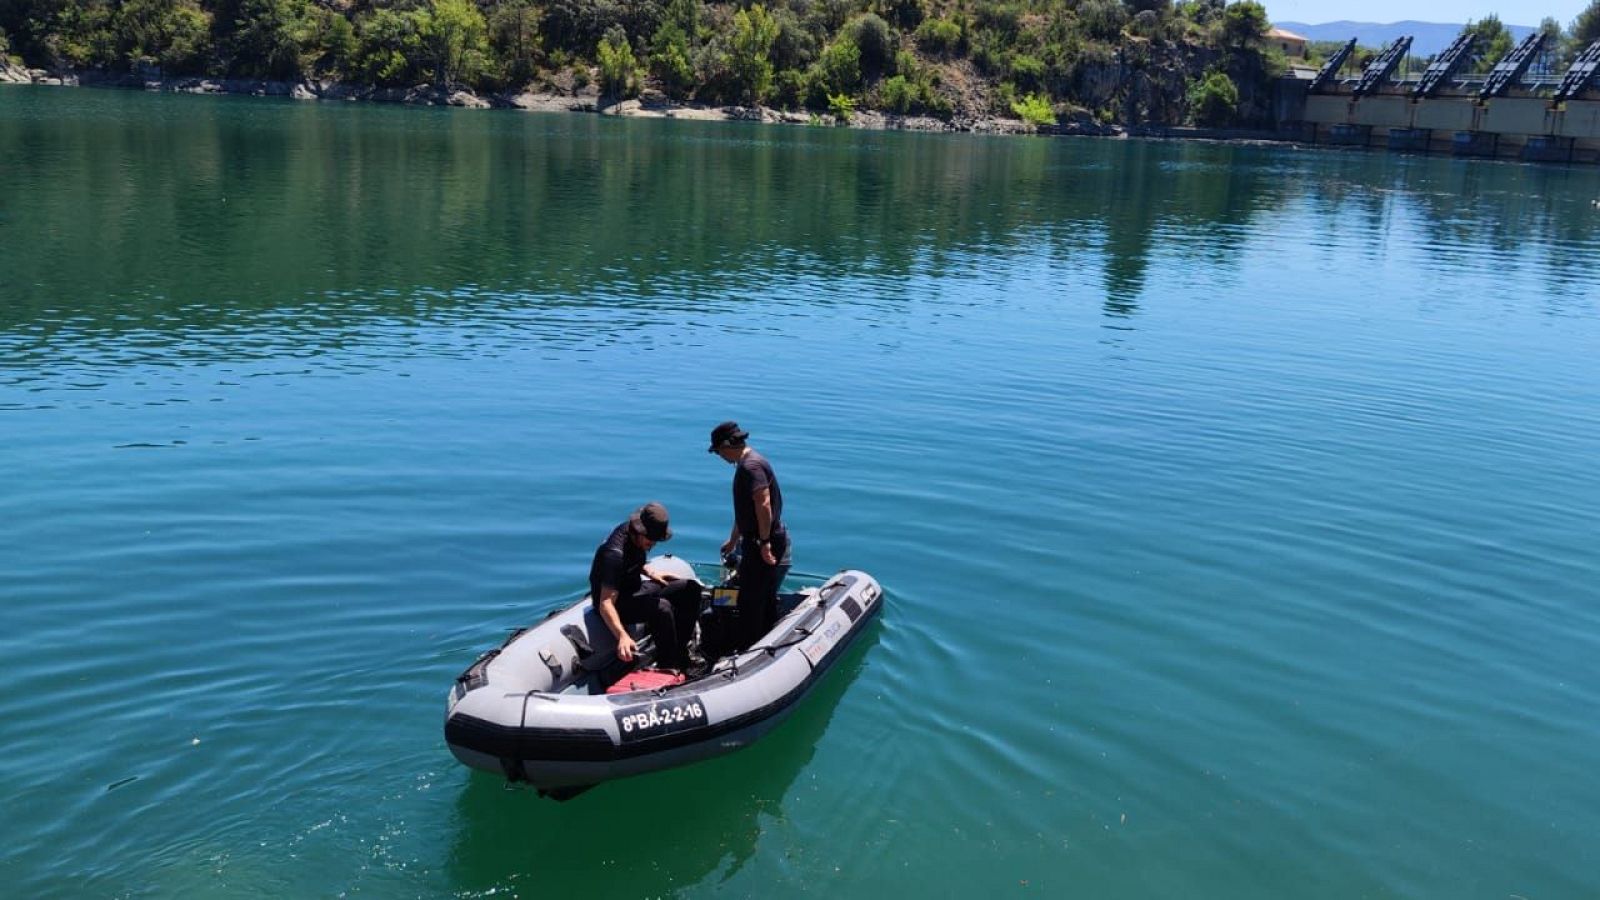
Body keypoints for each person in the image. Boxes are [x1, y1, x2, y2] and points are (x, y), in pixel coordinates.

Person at [588, 502, 702, 672]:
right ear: (639, 532)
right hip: (615, 603)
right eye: (651, 540)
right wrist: (622, 636)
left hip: (634, 589)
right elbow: (605, 603)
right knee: (662, 608)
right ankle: (669, 666)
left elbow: (634, 561)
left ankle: (680, 651)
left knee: (690, 588)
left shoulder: (635, 537)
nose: (653, 544)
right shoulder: (614, 554)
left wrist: (651, 573)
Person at [708, 421, 791, 648]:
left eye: (718, 451)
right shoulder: (748, 463)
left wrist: (764, 543)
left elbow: (763, 504)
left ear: (727, 446)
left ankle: (752, 647)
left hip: (763, 540)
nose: (720, 456)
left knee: (751, 600)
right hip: (756, 539)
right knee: (758, 594)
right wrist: (734, 539)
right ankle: (765, 636)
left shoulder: (750, 467)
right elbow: (748, 509)